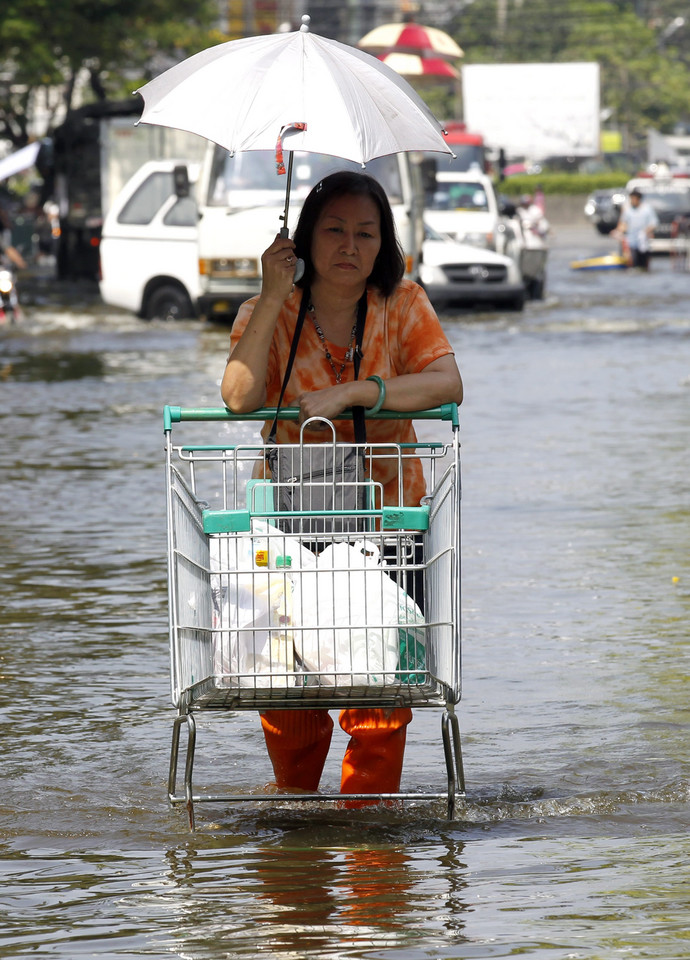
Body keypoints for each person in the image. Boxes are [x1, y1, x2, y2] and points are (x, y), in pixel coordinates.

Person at [221, 170, 463, 799]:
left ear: (384, 244)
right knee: (287, 689)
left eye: (365, 232)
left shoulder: (402, 304)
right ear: (304, 239)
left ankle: (366, 834)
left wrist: (358, 392)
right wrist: (274, 294)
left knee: (377, 683)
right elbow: (238, 395)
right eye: (333, 230)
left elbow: (446, 384)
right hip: (289, 526)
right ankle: (298, 813)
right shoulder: (265, 313)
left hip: (386, 525)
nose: (349, 246)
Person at [614, 188, 659, 270]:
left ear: (638, 199)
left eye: (634, 199)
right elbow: (623, 224)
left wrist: (645, 232)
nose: (632, 201)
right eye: (631, 199)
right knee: (633, 264)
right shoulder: (628, 211)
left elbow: (654, 223)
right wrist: (617, 232)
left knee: (644, 266)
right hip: (632, 242)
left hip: (644, 242)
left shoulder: (647, 210)